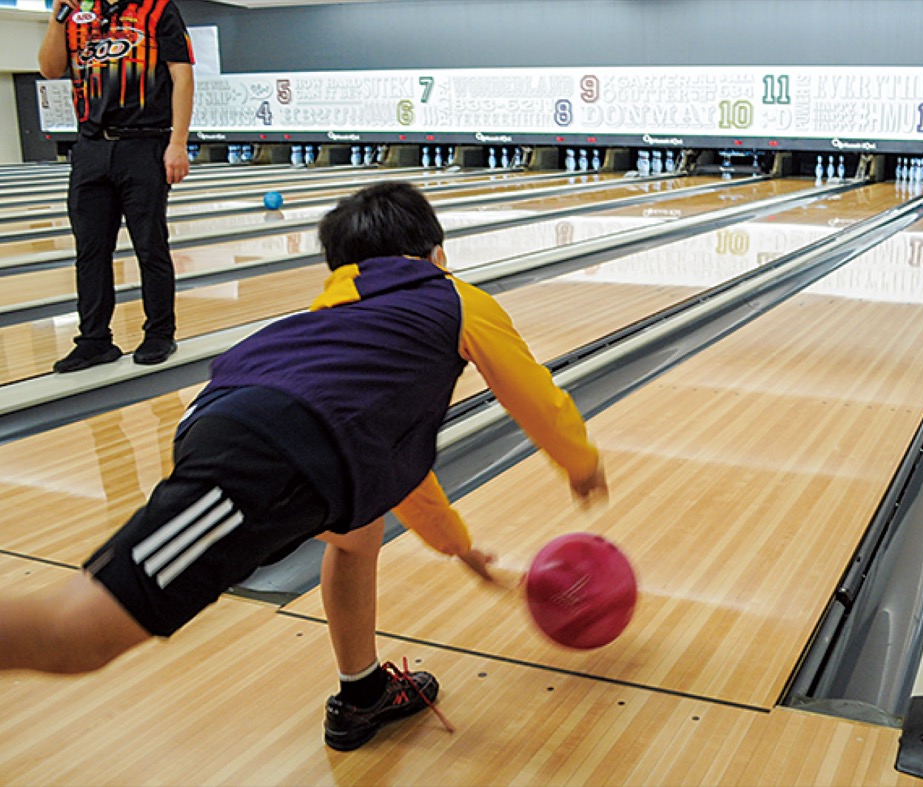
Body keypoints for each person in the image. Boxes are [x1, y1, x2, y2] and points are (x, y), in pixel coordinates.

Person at [0, 182, 609, 751]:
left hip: (251, 429)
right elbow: (532, 392)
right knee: (81, 630)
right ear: (439, 255)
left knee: (357, 532)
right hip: (264, 456)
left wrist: (457, 545)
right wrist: (580, 462)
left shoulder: (334, 316)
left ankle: (363, 693)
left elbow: (379, 459)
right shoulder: (456, 299)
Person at [39, 0, 195, 372]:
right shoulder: (75, 14)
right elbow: (50, 69)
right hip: (90, 148)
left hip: (144, 143)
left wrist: (178, 142)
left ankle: (159, 333)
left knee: (150, 246)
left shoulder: (158, 9)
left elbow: (182, 75)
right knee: (90, 251)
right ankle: (94, 340)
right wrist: (56, 17)